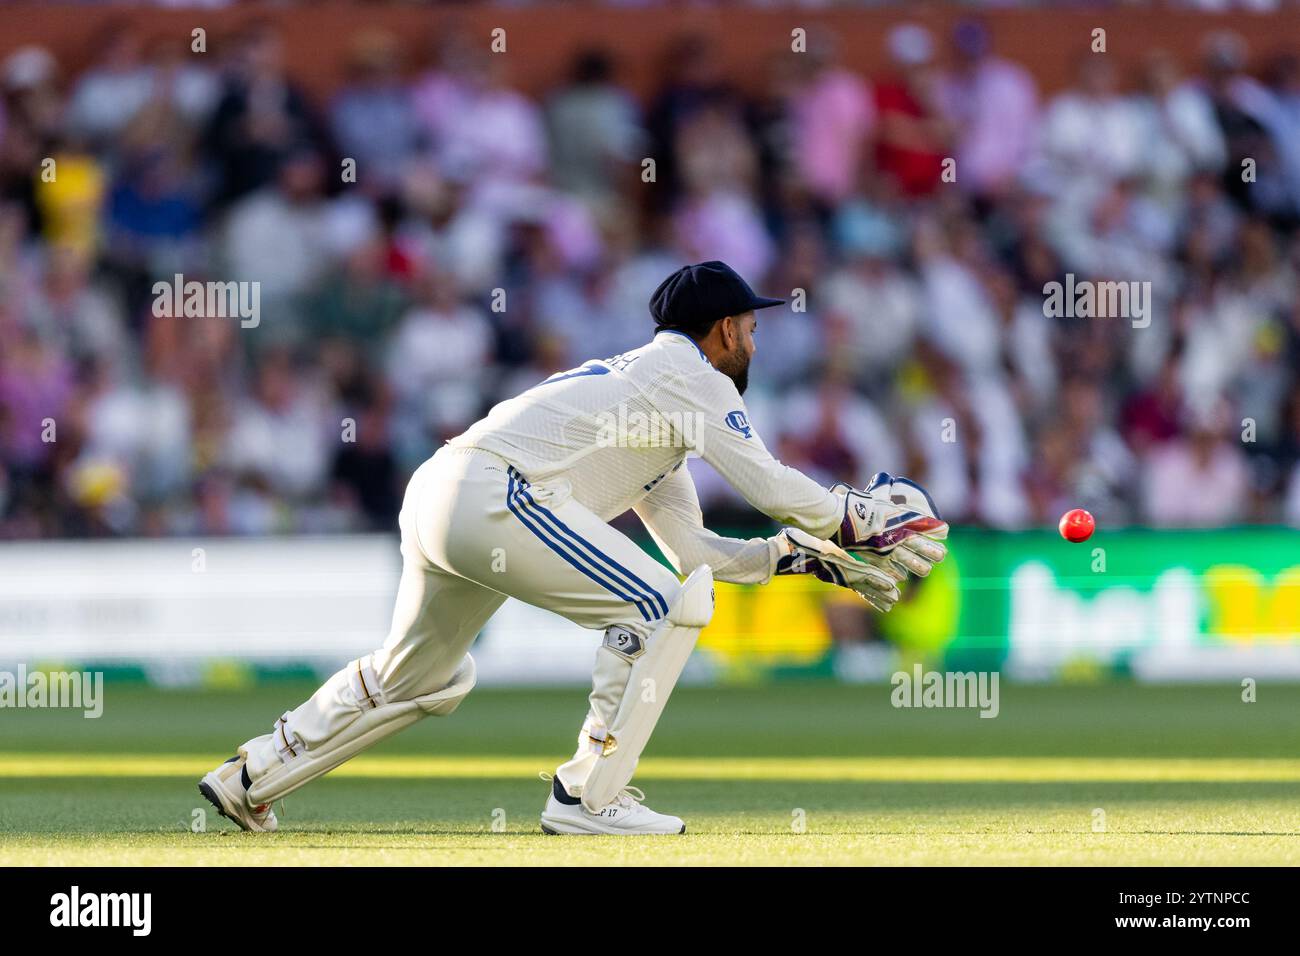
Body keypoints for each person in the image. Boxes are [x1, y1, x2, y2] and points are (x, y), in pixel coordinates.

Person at [198, 261, 948, 836]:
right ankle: (590, 795)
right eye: (751, 327)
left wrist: (801, 557)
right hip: (496, 492)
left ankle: (254, 774)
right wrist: (861, 520)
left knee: (421, 676)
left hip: (444, 493)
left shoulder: (652, 407)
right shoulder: (688, 375)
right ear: (723, 329)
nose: (755, 340)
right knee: (657, 609)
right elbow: (773, 485)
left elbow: (696, 553)